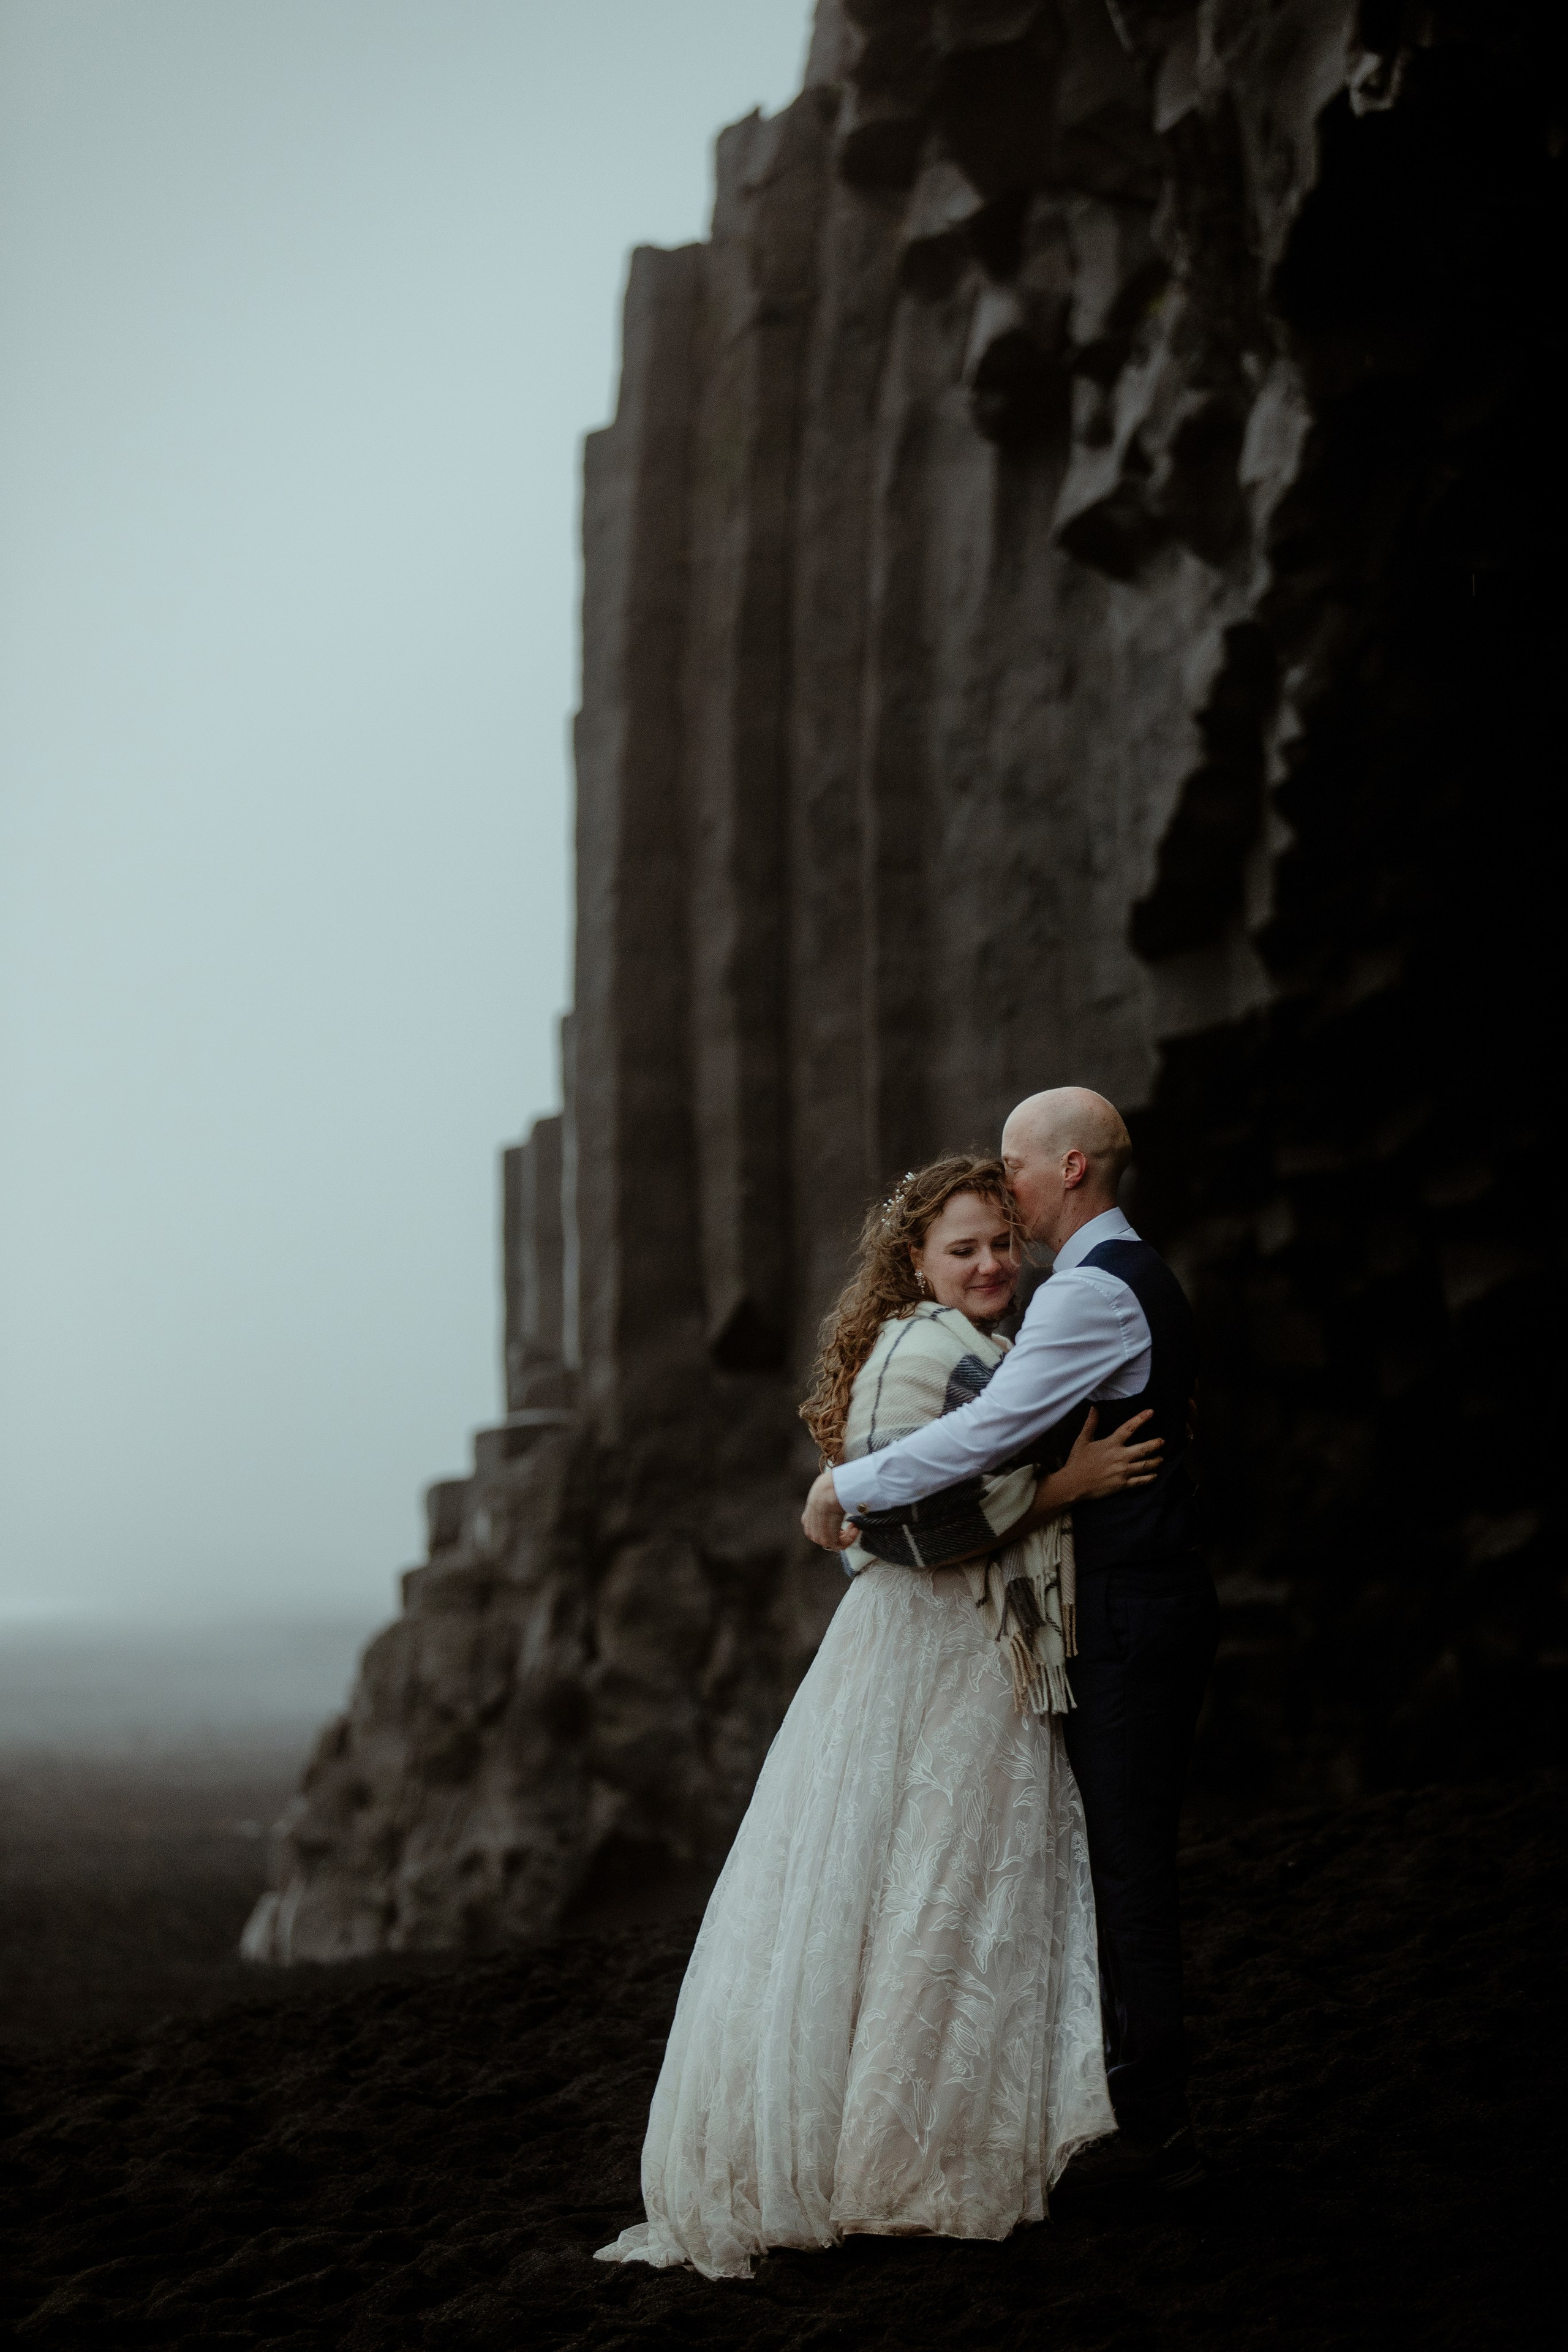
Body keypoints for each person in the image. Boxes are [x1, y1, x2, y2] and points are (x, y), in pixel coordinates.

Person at [595, 1153, 1161, 2280]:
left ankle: (923, 2145)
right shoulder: (921, 1350)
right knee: (914, 1888)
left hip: (972, 1651)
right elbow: (899, 1523)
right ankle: (886, 2157)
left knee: (947, 1895)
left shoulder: (980, 1344)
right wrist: (1063, 1486)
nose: (991, 1264)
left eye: (1002, 1244)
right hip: (928, 1646)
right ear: (917, 1261)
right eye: (964, 1249)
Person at [803, 1088, 1219, 2193]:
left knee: (1121, 1868)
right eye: (966, 1244)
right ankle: (1128, 2110)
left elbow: (990, 1433)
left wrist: (845, 1486)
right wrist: (1063, 1485)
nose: (1007, 1190)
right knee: (1102, 1864)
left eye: (1016, 1168)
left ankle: (1153, 2127)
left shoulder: (1085, 1293)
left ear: (1070, 1169)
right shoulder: (1130, 1277)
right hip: (1127, 1607)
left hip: (1128, 1614)